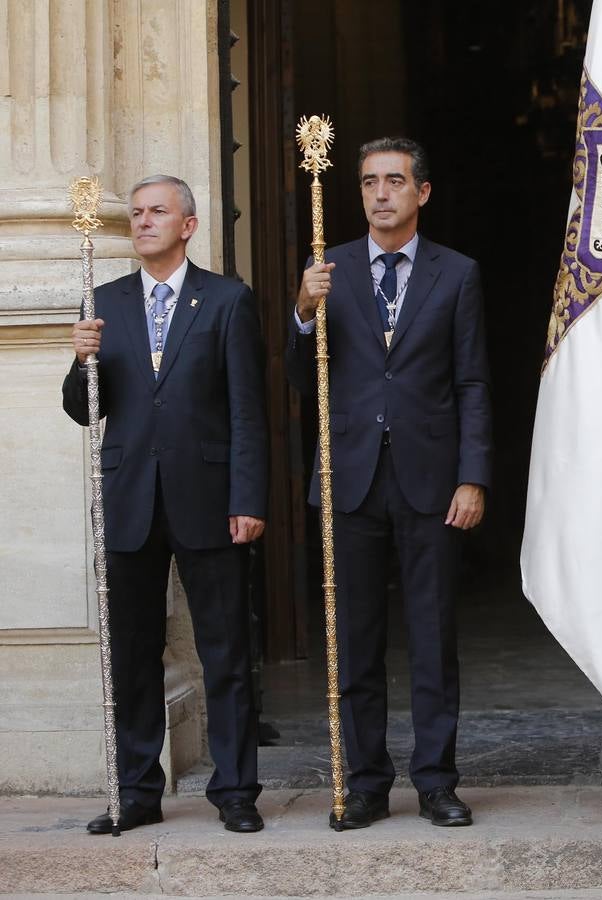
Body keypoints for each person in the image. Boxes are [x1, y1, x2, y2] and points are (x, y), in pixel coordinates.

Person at [286, 137, 492, 829]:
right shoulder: (329, 268)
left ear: (421, 192)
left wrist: (473, 476)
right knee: (356, 638)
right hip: (348, 477)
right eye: (370, 181)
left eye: (395, 181)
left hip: (431, 480)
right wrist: (302, 313)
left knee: (432, 637)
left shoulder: (456, 273)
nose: (380, 194)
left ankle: (436, 781)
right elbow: (299, 379)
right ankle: (366, 782)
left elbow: (470, 382)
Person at [63, 175, 268, 834]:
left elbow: (247, 411)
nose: (144, 221)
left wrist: (248, 496)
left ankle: (236, 793)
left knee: (226, 653)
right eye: (137, 212)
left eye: (158, 212)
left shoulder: (228, 300)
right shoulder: (105, 300)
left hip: (210, 500)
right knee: (132, 655)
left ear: (188, 225)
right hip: (130, 501)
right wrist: (79, 361)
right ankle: (136, 792)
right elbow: (82, 410)